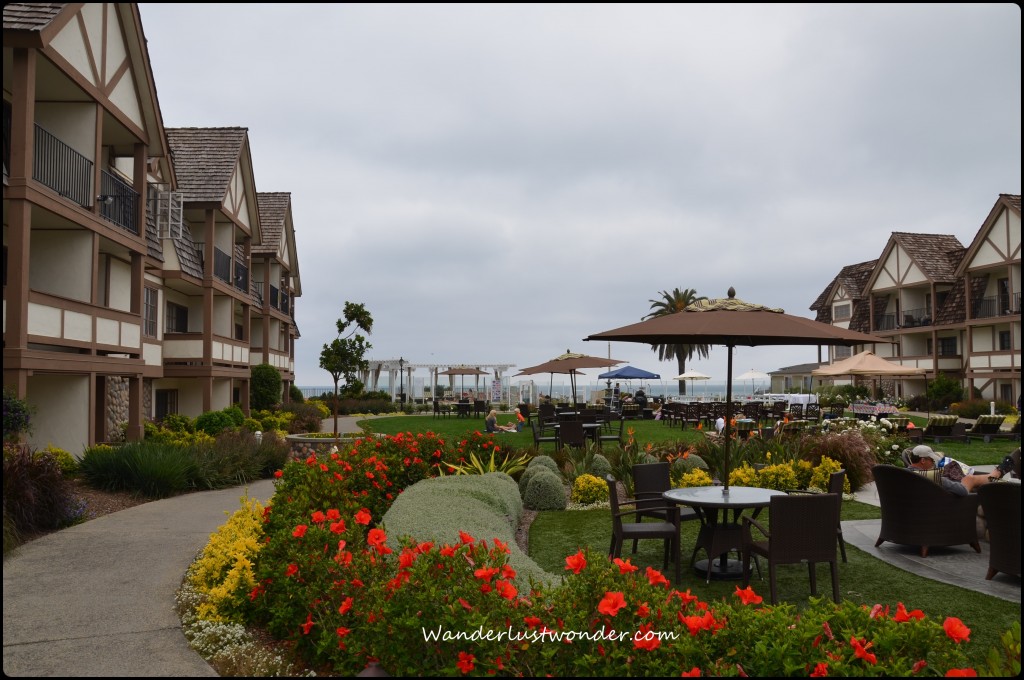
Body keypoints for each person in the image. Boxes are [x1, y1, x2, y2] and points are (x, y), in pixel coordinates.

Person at [904, 444, 1014, 495]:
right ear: (923, 461)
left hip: (921, 506)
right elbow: (961, 492)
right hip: (945, 506)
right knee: (970, 479)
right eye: (932, 460)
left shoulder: (903, 475)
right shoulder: (932, 477)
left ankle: (997, 476)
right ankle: (999, 473)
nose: (933, 463)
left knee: (965, 478)